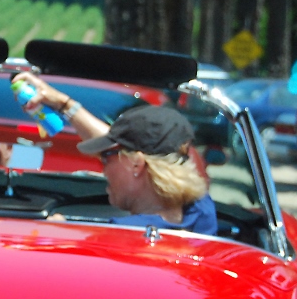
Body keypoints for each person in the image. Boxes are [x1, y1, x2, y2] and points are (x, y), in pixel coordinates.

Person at [12, 72, 217, 235]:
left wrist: (59, 234)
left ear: (137, 165)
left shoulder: (121, 237)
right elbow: (138, 146)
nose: (102, 167)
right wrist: (64, 104)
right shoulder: (202, 216)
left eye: (106, 157)